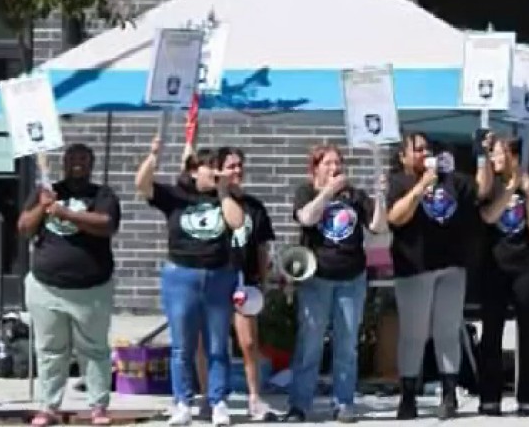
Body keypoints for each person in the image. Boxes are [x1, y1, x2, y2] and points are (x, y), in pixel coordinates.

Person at [137, 137, 245, 427]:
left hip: (218, 276)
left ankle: (218, 401)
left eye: (216, 167)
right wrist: (153, 156)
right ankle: (183, 402)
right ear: (195, 171)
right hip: (181, 276)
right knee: (182, 346)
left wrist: (223, 192)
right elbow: (142, 185)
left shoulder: (228, 196)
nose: (215, 172)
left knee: (218, 343)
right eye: (209, 167)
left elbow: (236, 223)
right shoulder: (175, 195)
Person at [18, 142, 122, 427]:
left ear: (91, 164)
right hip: (47, 287)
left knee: (94, 350)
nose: (77, 163)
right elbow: (25, 228)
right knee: (51, 350)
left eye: (83, 159)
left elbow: (105, 224)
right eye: (72, 158)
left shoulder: (103, 194)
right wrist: (43, 205)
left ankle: (98, 407)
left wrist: (66, 214)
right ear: (63, 162)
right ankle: (48, 407)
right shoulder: (46, 192)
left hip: (92, 290)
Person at [284, 144, 385, 424]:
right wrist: (328, 192)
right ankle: (300, 404)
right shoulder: (307, 192)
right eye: (327, 163)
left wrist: (381, 196)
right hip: (317, 277)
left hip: (351, 278)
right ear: (314, 168)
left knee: (347, 343)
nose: (335, 167)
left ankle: (343, 402)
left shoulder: (355, 196)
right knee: (310, 344)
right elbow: (307, 218)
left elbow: (378, 226)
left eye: (338, 162)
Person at [384, 132, 475, 420]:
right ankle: (408, 396)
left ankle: (449, 396)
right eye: (418, 149)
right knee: (414, 334)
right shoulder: (398, 183)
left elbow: (480, 191)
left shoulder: (449, 178)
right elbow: (395, 217)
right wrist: (421, 187)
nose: (425, 154)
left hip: (451, 265)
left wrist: (482, 157)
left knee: (447, 332)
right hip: (414, 267)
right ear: (403, 156)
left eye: (428, 149)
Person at [474, 134, 529, 417]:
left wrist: (527, 193)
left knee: (528, 331)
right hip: (494, 266)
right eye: (493, 155)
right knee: (491, 331)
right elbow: (489, 217)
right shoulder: (488, 186)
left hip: (525, 265)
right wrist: (510, 189)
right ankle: (490, 397)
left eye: (500, 154)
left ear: (514, 157)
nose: (496, 159)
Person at [216, 147, 278, 422]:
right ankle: (214, 398)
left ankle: (255, 397)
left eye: (240, 165)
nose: (237, 171)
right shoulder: (210, 203)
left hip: (245, 278)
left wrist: (263, 281)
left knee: (249, 341)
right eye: (230, 166)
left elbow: (263, 247)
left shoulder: (254, 206)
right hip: (215, 278)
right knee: (213, 342)